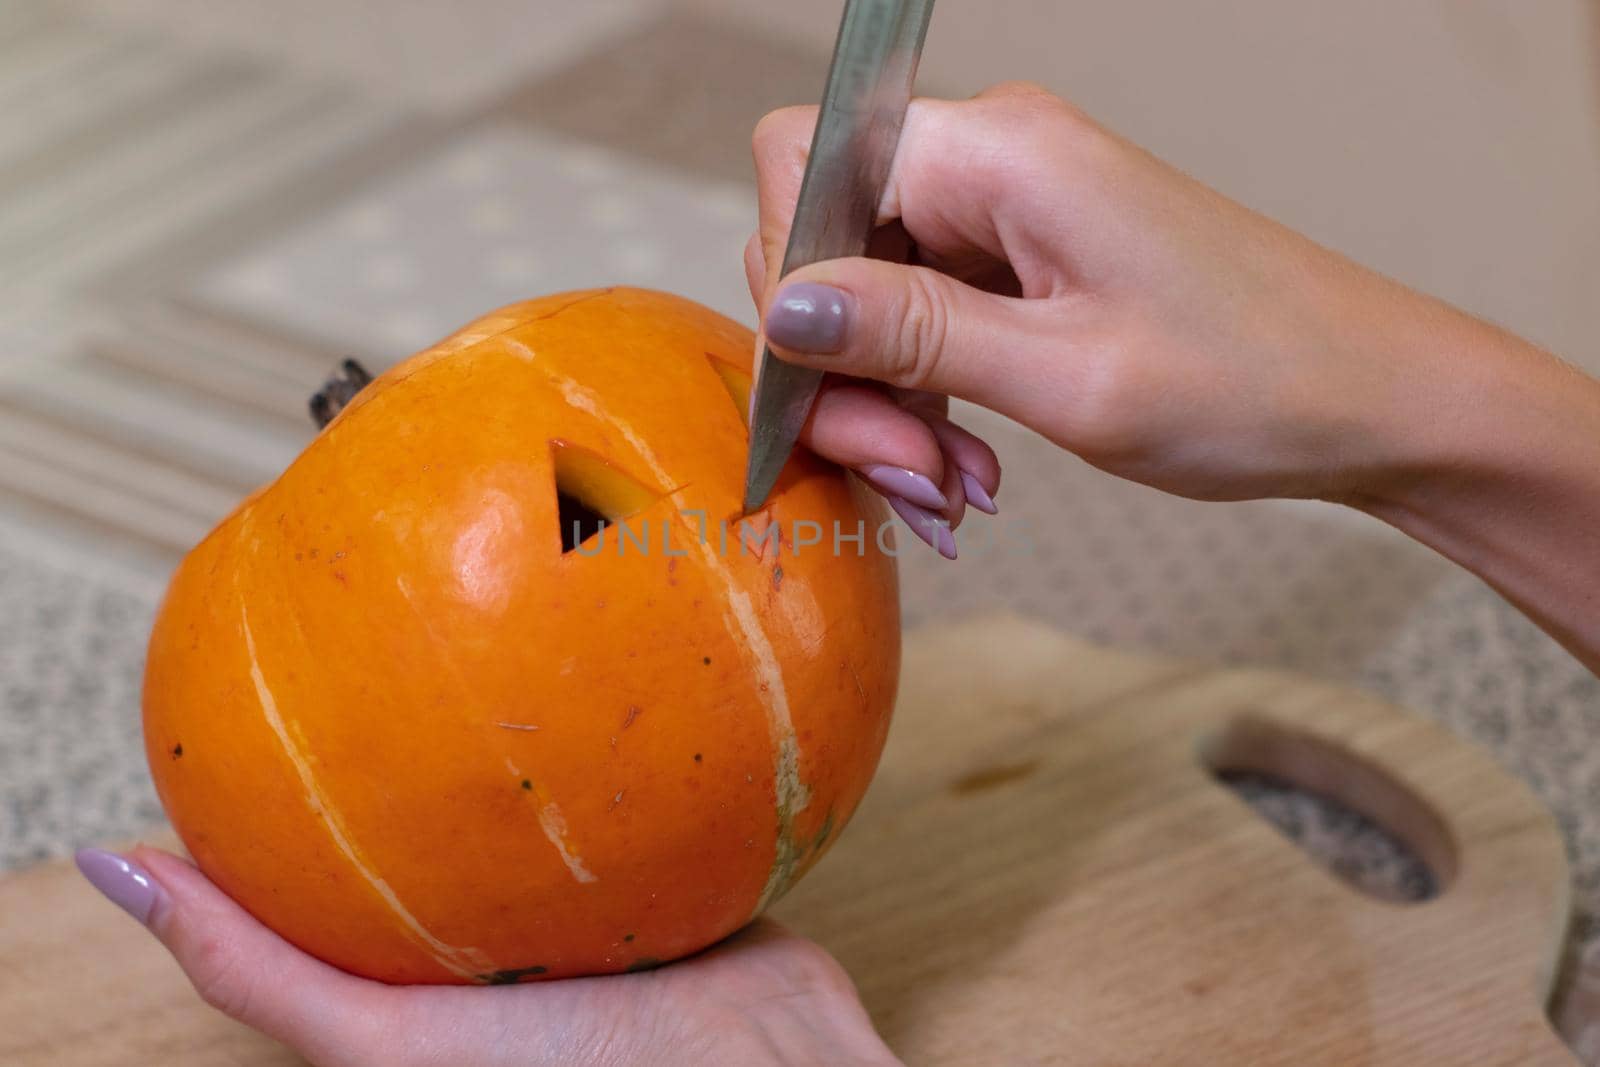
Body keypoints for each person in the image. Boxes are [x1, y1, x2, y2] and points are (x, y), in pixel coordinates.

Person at [76, 82, 1600, 1065]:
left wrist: (1390, 416)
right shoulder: (238, 642)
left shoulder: (622, 370)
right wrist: (1405, 420)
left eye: (575, 519)